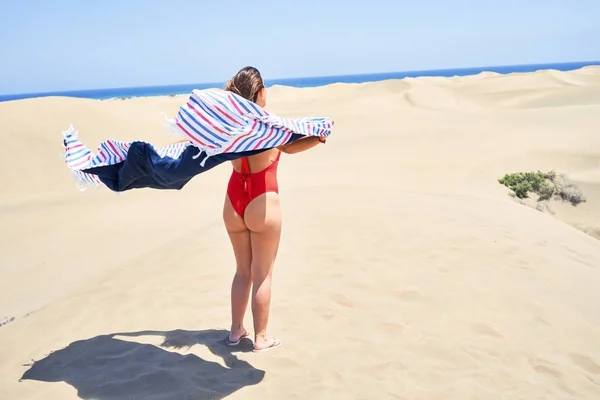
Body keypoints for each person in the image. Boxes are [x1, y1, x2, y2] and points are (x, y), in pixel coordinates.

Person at [222, 66, 326, 352]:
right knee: (263, 273)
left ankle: (234, 331)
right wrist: (317, 137)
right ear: (260, 92)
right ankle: (261, 337)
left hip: (233, 201)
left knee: (242, 270)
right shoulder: (267, 123)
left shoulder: (228, 124)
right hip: (262, 199)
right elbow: (290, 148)